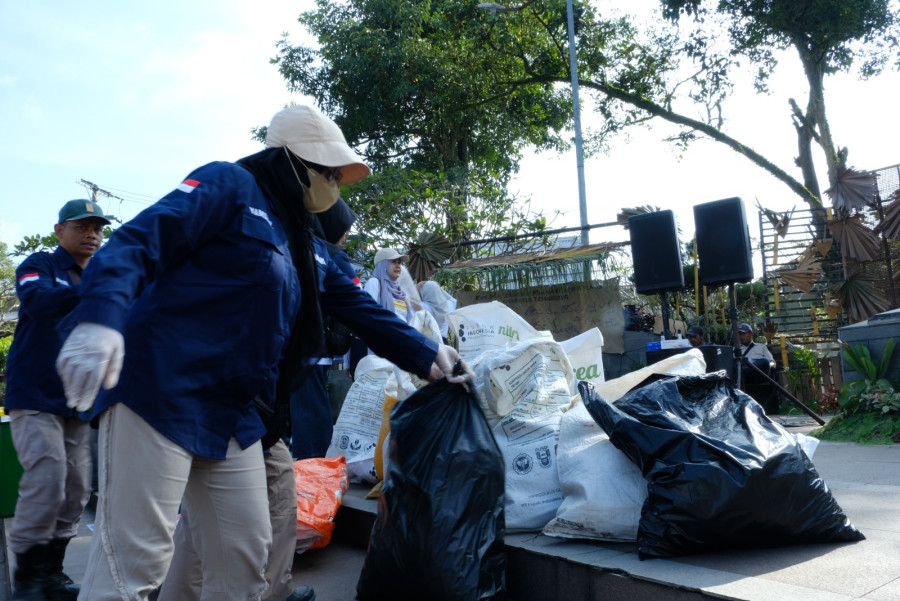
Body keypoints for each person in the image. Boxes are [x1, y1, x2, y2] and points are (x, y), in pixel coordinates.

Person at [54, 104, 471, 601]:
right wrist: (101, 317)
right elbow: (138, 242)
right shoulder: (227, 186)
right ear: (294, 161)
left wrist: (430, 354)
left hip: (235, 414)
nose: (335, 185)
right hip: (160, 392)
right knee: (131, 566)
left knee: (244, 563)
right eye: (329, 173)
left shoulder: (305, 243)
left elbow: (363, 310)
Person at [5, 199, 110, 601]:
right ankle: (28, 582)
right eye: (82, 226)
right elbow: (40, 303)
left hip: (79, 399)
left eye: (98, 228)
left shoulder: (103, 273)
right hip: (34, 393)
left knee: (76, 490)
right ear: (58, 230)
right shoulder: (40, 265)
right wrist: (100, 293)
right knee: (47, 478)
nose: (92, 234)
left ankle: (51, 574)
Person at [290, 197, 360, 461]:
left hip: (310, 342)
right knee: (308, 403)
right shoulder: (322, 251)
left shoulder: (328, 254)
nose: (347, 234)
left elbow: (355, 296)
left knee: (309, 404)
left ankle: (311, 464)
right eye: (344, 227)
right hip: (310, 342)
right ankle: (312, 463)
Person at [364, 249, 416, 324]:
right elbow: (367, 314)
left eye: (399, 262)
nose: (398, 266)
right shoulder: (374, 283)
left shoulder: (401, 291)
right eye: (393, 262)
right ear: (383, 265)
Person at [737, 322, 779, 414]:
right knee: (741, 368)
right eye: (739, 334)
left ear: (751, 334)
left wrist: (770, 367)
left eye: (744, 333)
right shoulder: (735, 350)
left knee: (763, 361)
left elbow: (771, 361)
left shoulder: (761, 347)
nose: (741, 336)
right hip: (745, 376)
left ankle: (751, 365)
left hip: (761, 373)